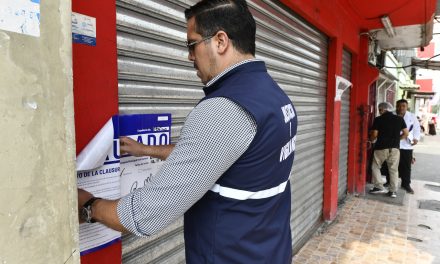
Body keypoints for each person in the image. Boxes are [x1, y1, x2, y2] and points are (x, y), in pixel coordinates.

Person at [77, 0, 297, 263]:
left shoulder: (225, 109)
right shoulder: (275, 97)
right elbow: (224, 158)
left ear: (220, 41)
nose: (189, 56)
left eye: (191, 44)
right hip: (270, 252)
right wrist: (146, 150)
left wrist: (90, 205)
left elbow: (146, 213)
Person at [369, 102, 408, 198]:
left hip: (381, 148)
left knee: (375, 166)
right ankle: (393, 192)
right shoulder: (399, 119)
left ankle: (379, 187)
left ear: (383, 109)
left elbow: (374, 134)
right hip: (395, 148)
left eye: (380, 109)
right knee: (394, 170)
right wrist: (396, 140)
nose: (379, 111)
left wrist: (371, 140)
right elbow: (406, 133)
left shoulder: (378, 119)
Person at [396, 99, 421, 194]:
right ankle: (390, 181)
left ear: (407, 107)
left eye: (404, 106)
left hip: (407, 145)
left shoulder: (412, 116)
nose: (401, 108)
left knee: (406, 166)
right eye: (399, 106)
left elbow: (417, 128)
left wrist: (416, 138)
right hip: (395, 144)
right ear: (396, 106)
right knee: (392, 165)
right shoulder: (393, 115)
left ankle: (406, 184)